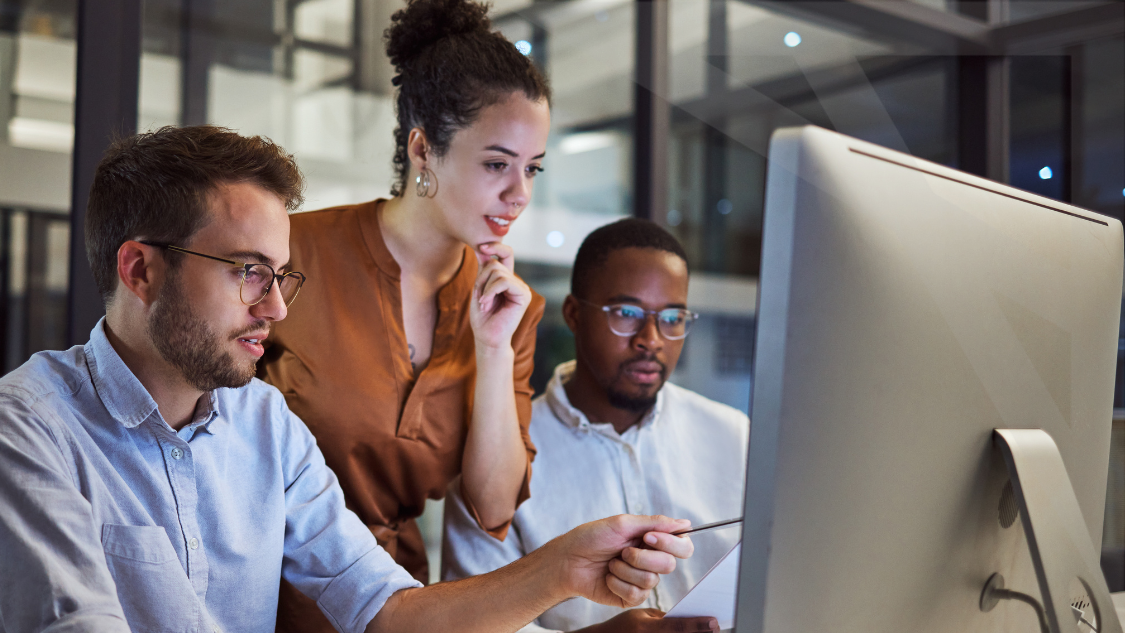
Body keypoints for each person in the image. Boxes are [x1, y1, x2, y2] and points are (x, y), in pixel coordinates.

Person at [0, 125, 707, 633]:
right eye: (248, 270)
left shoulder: (266, 425)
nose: (274, 307)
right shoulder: (30, 427)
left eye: (280, 276)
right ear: (140, 269)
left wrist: (561, 569)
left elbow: (386, 609)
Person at [257, 1, 551, 625]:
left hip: (398, 605)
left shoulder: (509, 307)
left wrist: (494, 348)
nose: (519, 193)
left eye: (532, 168)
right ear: (423, 149)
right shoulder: (290, 252)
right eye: (497, 164)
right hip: (257, 595)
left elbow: (493, 506)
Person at [443, 218, 750, 632]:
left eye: (673, 317)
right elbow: (470, 626)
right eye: (626, 313)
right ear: (573, 314)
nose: (652, 338)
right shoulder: (498, 462)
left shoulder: (735, 437)